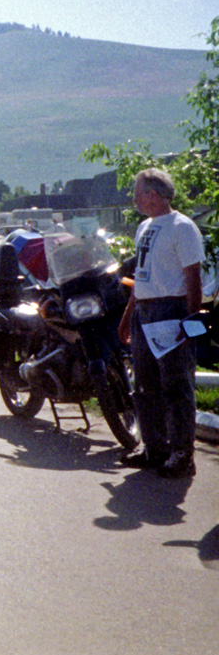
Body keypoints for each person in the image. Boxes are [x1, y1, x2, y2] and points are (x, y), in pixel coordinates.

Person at [118, 167, 205, 477]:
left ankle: (183, 453)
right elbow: (142, 278)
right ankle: (154, 447)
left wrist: (191, 322)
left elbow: (193, 278)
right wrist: (129, 317)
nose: (135, 199)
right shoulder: (145, 227)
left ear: (153, 195)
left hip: (171, 311)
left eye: (138, 193)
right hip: (144, 310)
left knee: (176, 385)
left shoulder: (182, 227)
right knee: (145, 385)